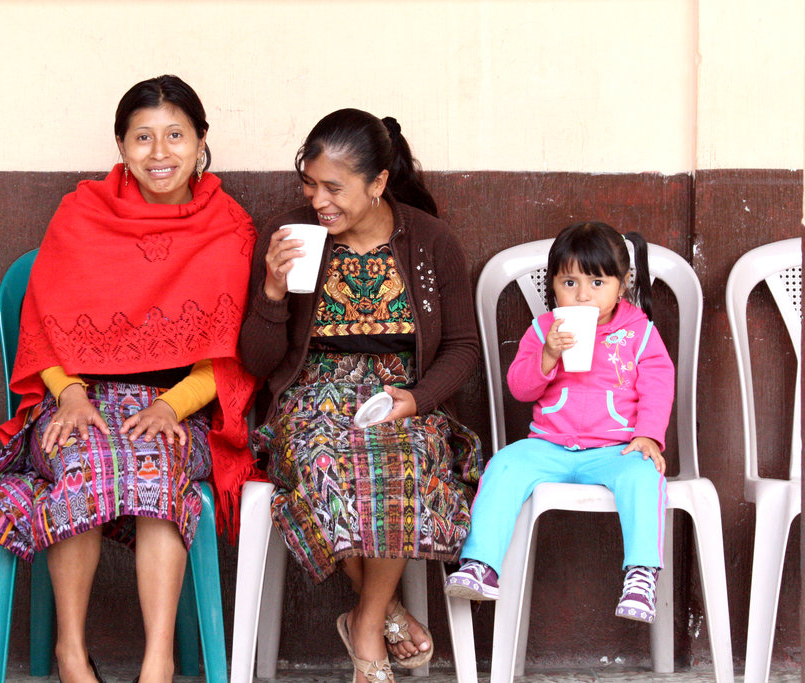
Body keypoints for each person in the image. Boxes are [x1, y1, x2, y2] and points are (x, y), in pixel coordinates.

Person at [0, 75, 257, 683]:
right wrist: (70, 393)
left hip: (175, 407)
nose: (161, 153)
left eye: (176, 135)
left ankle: (158, 663)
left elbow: (229, 354)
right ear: (121, 147)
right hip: (80, 400)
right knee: (83, 459)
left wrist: (175, 407)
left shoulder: (229, 226)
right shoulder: (82, 212)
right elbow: (42, 323)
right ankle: (71, 653)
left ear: (202, 141)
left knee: (155, 465)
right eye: (143, 138)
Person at [239, 109, 482, 683]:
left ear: (377, 184)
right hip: (310, 394)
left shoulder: (429, 240)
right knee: (327, 462)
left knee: (402, 461)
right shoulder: (287, 233)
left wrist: (418, 399)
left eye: (333, 187)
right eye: (309, 183)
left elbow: (464, 347)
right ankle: (386, 614)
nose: (317, 200)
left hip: (402, 394)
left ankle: (366, 622)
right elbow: (255, 362)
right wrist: (272, 292)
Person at [444, 221, 674, 625]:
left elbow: (659, 385)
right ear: (552, 285)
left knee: (644, 473)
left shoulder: (639, 334)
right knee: (504, 465)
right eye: (570, 282)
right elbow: (520, 388)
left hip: (614, 449)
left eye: (597, 282)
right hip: (549, 445)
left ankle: (641, 574)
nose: (583, 294)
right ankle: (481, 564)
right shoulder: (543, 329)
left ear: (622, 287)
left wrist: (648, 436)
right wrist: (547, 355)